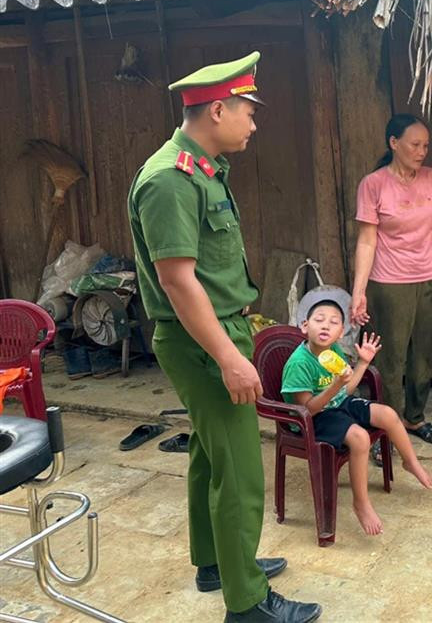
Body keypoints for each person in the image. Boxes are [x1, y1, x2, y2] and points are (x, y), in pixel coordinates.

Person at [127, 52, 321, 623]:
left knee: (212, 458)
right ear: (217, 109)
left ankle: (216, 563)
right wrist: (230, 357)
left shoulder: (201, 168)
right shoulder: (170, 179)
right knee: (239, 469)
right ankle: (249, 603)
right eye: (247, 111)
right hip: (202, 341)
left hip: (215, 331)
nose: (254, 125)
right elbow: (177, 281)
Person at [349, 114, 432, 459]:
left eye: (426, 145)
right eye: (415, 144)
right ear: (393, 143)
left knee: (422, 355)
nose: (422, 151)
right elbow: (367, 241)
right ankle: (386, 429)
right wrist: (359, 290)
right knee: (392, 359)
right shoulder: (374, 184)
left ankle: (414, 419)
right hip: (389, 282)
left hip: (429, 276)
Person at [281, 294, 432, 536]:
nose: (325, 326)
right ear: (305, 326)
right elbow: (308, 410)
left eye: (333, 323)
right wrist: (334, 387)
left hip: (337, 403)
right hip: (312, 419)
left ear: (341, 333)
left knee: (388, 414)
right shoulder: (300, 363)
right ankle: (360, 503)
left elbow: (346, 390)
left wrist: (362, 363)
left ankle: (410, 461)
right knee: (360, 438)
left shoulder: (335, 351)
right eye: (319, 320)